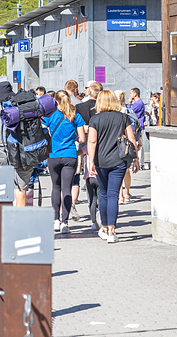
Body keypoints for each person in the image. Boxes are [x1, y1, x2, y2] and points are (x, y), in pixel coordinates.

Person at [87, 90, 140, 243]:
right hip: (119, 161)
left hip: (100, 161)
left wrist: (90, 161)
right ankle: (112, 231)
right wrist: (135, 158)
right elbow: (131, 138)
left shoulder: (95, 119)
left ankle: (103, 228)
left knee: (102, 194)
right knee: (113, 195)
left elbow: (92, 142)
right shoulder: (123, 117)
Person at [45, 91, 87, 233]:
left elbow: (44, 130)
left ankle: (55, 220)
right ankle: (65, 222)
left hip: (53, 155)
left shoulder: (50, 116)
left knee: (55, 187)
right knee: (66, 188)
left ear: (55, 101)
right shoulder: (76, 116)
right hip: (70, 155)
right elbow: (82, 139)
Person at [76, 81, 102, 229]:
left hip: (84, 144)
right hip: (103, 146)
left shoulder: (80, 107)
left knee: (89, 178)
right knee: (101, 182)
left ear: (88, 92)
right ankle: (99, 212)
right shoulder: (103, 108)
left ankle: (93, 216)